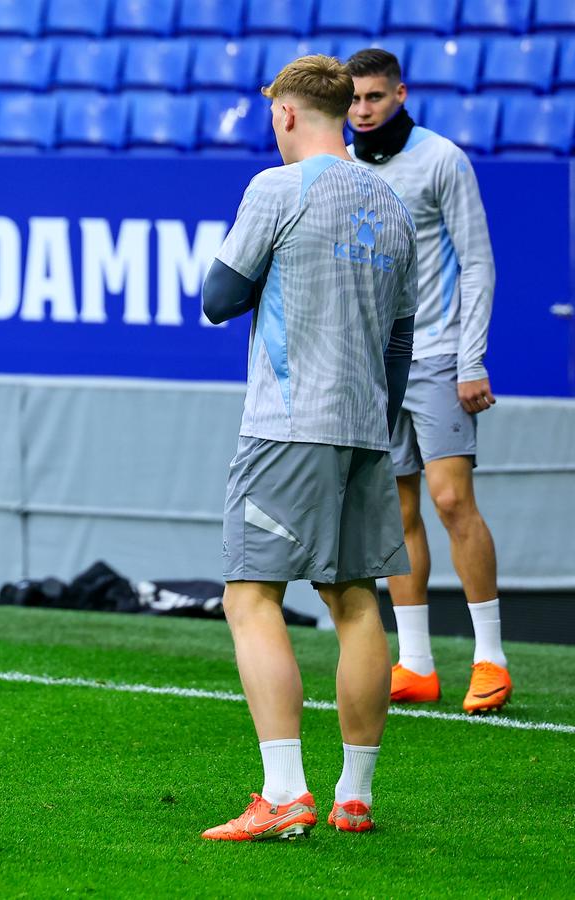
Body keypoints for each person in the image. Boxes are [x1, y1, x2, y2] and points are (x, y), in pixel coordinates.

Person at [198, 57, 418, 841]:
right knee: (356, 600)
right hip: (366, 427)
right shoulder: (391, 203)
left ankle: (284, 790)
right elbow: (402, 341)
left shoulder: (276, 189)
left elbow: (218, 300)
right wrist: (378, 418)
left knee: (250, 595)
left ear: (288, 114)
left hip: (289, 424)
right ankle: (354, 795)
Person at [345, 48, 508, 715]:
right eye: (354, 99)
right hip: (374, 362)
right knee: (398, 509)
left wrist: (472, 359)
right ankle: (415, 663)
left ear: (401, 94)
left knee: (450, 501)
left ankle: (491, 658)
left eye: (375, 97)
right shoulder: (345, 166)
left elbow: (477, 263)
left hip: (438, 354)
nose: (362, 110)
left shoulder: (442, 159)